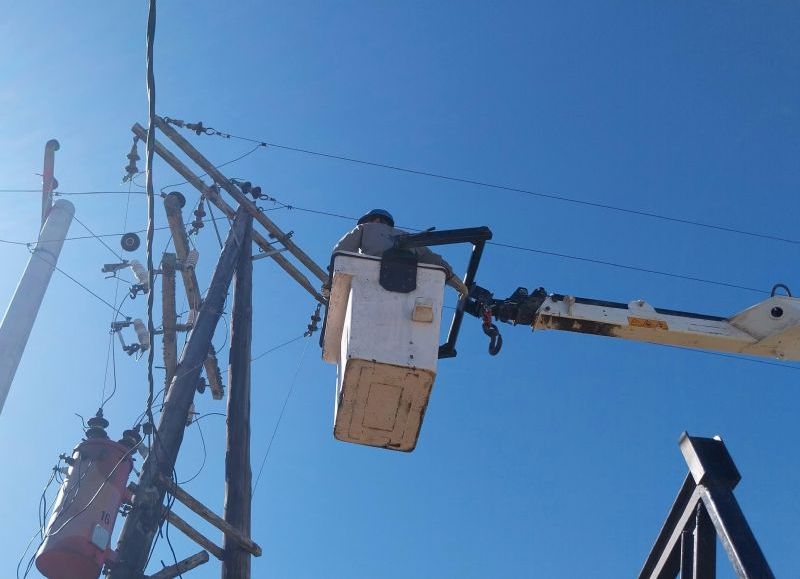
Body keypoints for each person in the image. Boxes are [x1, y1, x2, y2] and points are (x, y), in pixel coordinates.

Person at [330, 208, 470, 296]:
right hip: (407, 284)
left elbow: (341, 251)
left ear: (376, 219)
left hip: (370, 279)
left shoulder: (364, 228)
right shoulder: (407, 237)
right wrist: (457, 284)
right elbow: (434, 260)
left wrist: (330, 281)